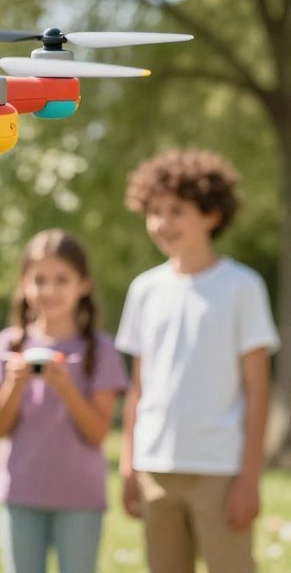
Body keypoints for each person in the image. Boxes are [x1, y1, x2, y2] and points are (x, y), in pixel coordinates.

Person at [117, 149, 280, 573]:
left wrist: (249, 479)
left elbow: (258, 389)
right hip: (155, 466)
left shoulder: (242, 287)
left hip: (220, 469)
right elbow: (138, 388)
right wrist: (129, 464)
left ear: (211, 214)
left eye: (176, 211)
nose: (162, 223)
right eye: (154, 212)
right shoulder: (144, 290)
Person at [0, 229, 128, 573]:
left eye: (62, 280)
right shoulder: (8, 345)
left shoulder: (101, 350)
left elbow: (97, 433)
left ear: (83, 284)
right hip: (20, 491)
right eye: (39, 280)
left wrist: (67, 388)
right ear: (24, 285)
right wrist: (14, 385)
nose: (49, 291)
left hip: (80, 496)